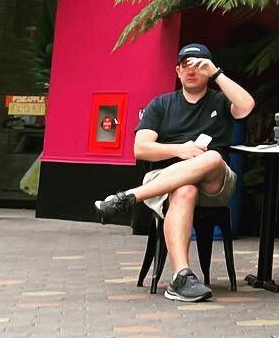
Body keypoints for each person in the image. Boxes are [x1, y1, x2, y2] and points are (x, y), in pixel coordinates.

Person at [94, 43, 255, 304]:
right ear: (177, 71)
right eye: (186, 65)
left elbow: (246, 106)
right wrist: (180, 150)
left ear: (209, 70)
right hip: (165, 181)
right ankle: (182, 277)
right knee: (185, 189)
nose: (192, 70)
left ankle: (128, 197)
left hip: (214, 183)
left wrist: (217, 74)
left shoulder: (220, 100)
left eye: (199, 65)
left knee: (213, 156)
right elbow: (141, 149)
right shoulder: (161, 104)